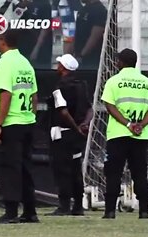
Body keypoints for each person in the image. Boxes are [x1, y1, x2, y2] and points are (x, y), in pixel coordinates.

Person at [0, 29, 39, 224]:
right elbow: (34, 96)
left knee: (8, 167)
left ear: (2, 41)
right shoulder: (25, 63)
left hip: (10, 123)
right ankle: (30, 211)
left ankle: (10, 212)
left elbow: (5, 95)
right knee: (25, 167)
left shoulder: (4, 64)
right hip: (26, 122)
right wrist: (30, 117)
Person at [100, 48, 148, 219]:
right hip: (140, 135)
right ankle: (144, 211)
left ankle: (110, 211)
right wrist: (140, 125)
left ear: (121, 62)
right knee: (139, 173)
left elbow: (110, 106)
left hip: (118, 134)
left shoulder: (113, 81)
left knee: (113, 172)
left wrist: (127, 124)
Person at [45, 54, 93, 216]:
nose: (57, 66)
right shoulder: (82, 85)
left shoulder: (58, 88)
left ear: (63, 68)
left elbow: (63, 111)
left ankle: (64, 206)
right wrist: (84, 125)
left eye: (59, 64)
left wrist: (75, 127)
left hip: (62, 134)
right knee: (75, 169)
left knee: (61, 170)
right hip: (77, 137)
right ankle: (78, 206)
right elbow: (90, 109)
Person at [17, 0, 54, 69]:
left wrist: (36, 49)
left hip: (41, 52)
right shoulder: (25, 4)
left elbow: (45, 28)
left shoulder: (44, 4)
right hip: (25, 49)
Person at [74, 0, 107, 69]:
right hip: (79, 58)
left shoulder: (99, 10)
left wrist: (82, 55)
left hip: (92, 61)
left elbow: (95, 35)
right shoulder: (83, 9)